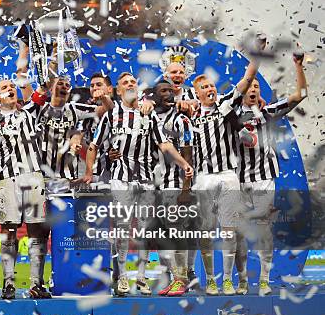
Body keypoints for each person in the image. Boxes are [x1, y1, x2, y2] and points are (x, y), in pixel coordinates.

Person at [81, 72, 193, 296]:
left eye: (133, 81)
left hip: (146, 180)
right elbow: (94, 145)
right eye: (125, 83)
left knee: (144, 230)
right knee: (122, 228)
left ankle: (141, 277)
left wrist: (183, 164)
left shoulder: (148, 115)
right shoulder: (112, 115)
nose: (130, 84)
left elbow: (164, 145)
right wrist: (89, 172)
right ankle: (122, 277)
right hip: (121, 178)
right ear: (119, 91)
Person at [233, 50, 308, 296]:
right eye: (249, 86)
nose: (253, 89)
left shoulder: (268, 112)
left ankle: (264, 280)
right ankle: (242, 280)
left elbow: (300, 96)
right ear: (242, 90)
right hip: (239, 181)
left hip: (265, 180)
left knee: (264, 230)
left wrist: (298, 66)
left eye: (257, 86)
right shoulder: (229, 116)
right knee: (239, 234)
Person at [189, 43, 261, 296]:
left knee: (229, 230)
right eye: (203, 88)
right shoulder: (191, 115)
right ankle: (210, 279)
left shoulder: (225, 105)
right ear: (196, 94)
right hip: (204, 178)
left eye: (210, 85)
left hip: (228, 175)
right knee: (206, 232)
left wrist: (257, 52)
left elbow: (247, 79)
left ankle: (227, 280)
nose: (209, 89)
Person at [0, 79, 50, 299]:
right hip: (7, 178)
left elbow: (42, 89)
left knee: (36, 230)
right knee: (9, 230)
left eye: (12, 86)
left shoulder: (29, 112)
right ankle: (9, 283)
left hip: (33, 177)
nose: (10, 89)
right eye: (4, 87)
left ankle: (36, 284)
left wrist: (43, 68)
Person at [147, 79, 196, 297]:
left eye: (170, 90)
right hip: (152, 185)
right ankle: (175, 277)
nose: (169, 93)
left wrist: (185, 190)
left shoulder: (182, 120)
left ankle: (181, 279)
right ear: (154, 96)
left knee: (177, 232)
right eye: (163, 91)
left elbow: (188, 155)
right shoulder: (148, 118)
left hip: (173, 184)